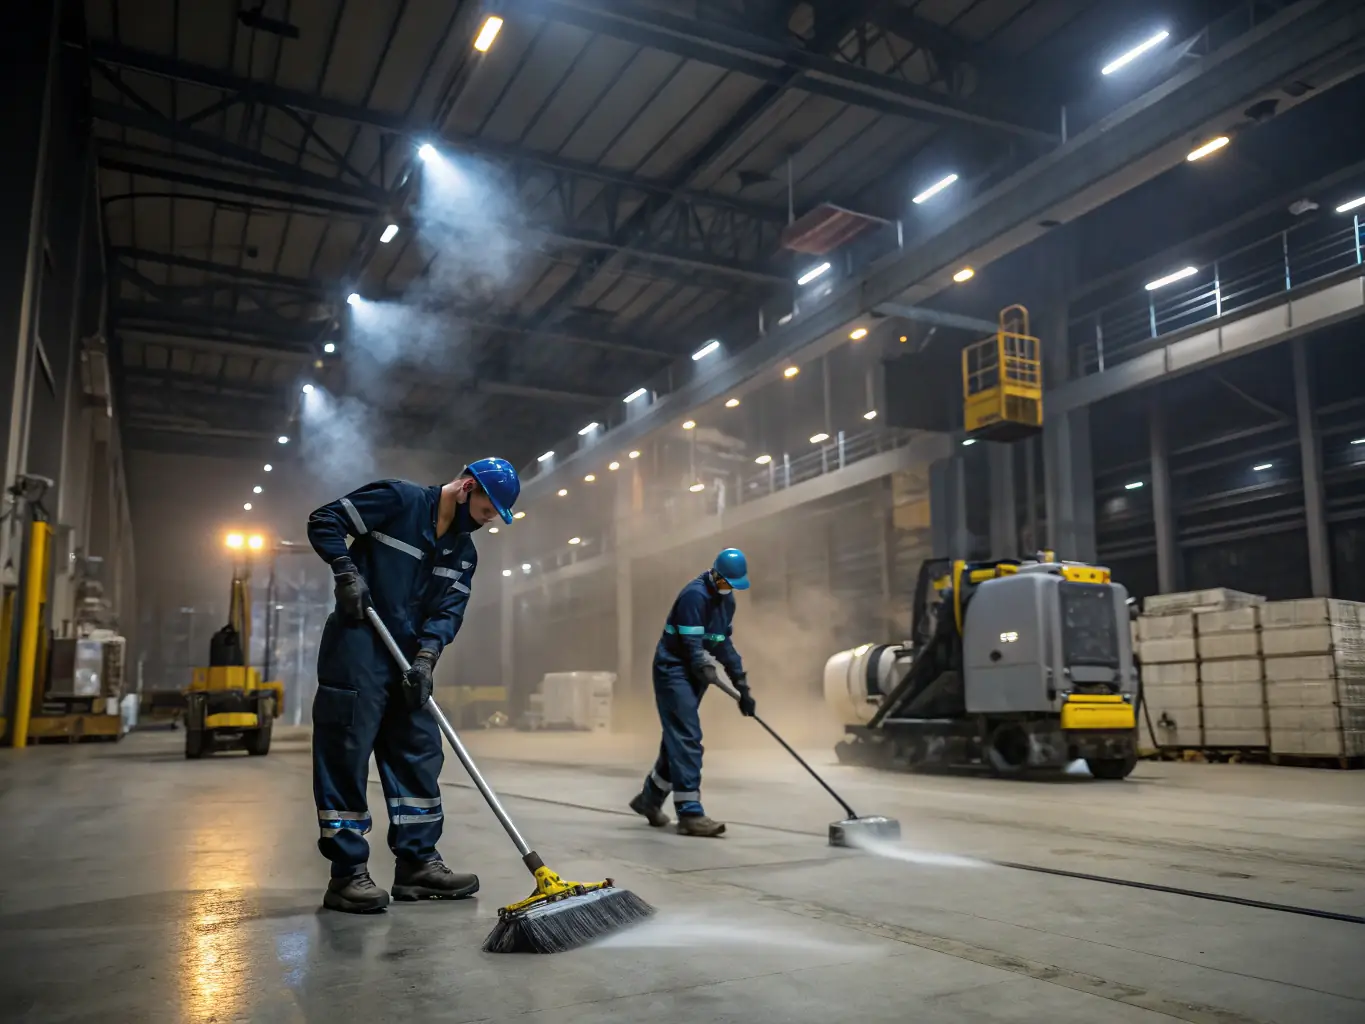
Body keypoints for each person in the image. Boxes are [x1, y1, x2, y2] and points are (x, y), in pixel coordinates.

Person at [305, 457, 520, 913]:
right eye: (484, 512)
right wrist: (346, 571)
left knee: (419, 750)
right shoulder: (399, 500)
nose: (483, 525)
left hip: (406, 657)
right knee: (345, 751)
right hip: (359, 644)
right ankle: (347, 874)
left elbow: (447, 614)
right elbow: (325, 519)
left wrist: (426, 659)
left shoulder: (464, 553)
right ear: (466, 488)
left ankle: (417, 866)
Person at [629, 548, 755, 837]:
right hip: (673, 670)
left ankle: (649, 799)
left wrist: (743, 687)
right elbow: (691, 646)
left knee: (676, 738)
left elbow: (722, 645)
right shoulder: (694, 596)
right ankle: (690, 814)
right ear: (715, 574)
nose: (728, 589)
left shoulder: (727, 601)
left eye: (733, 586)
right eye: (726, 583)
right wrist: (702, 665)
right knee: (687, 738)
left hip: (694, 675)